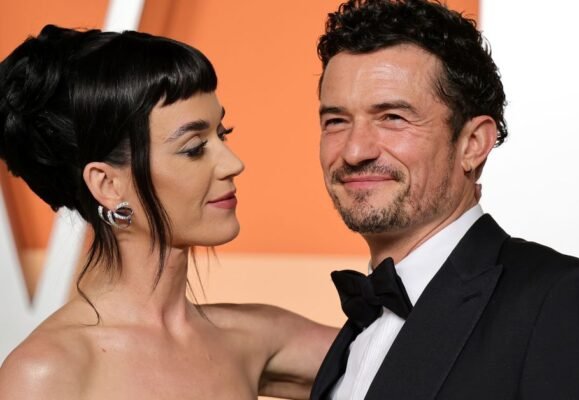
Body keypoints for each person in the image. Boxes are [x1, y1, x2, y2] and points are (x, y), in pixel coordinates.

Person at [0, 25, 337, 400]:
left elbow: (386, 356)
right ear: (108, 184)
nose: (233, 164)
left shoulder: (254, 338)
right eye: (194, 148)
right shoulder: (46, 374)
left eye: (222, 133)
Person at [310, 1, 579, 399]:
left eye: (393, 117)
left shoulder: (558, 301)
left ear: (473, 143)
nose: (355, 150)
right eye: (336, 121)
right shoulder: (358, 329)